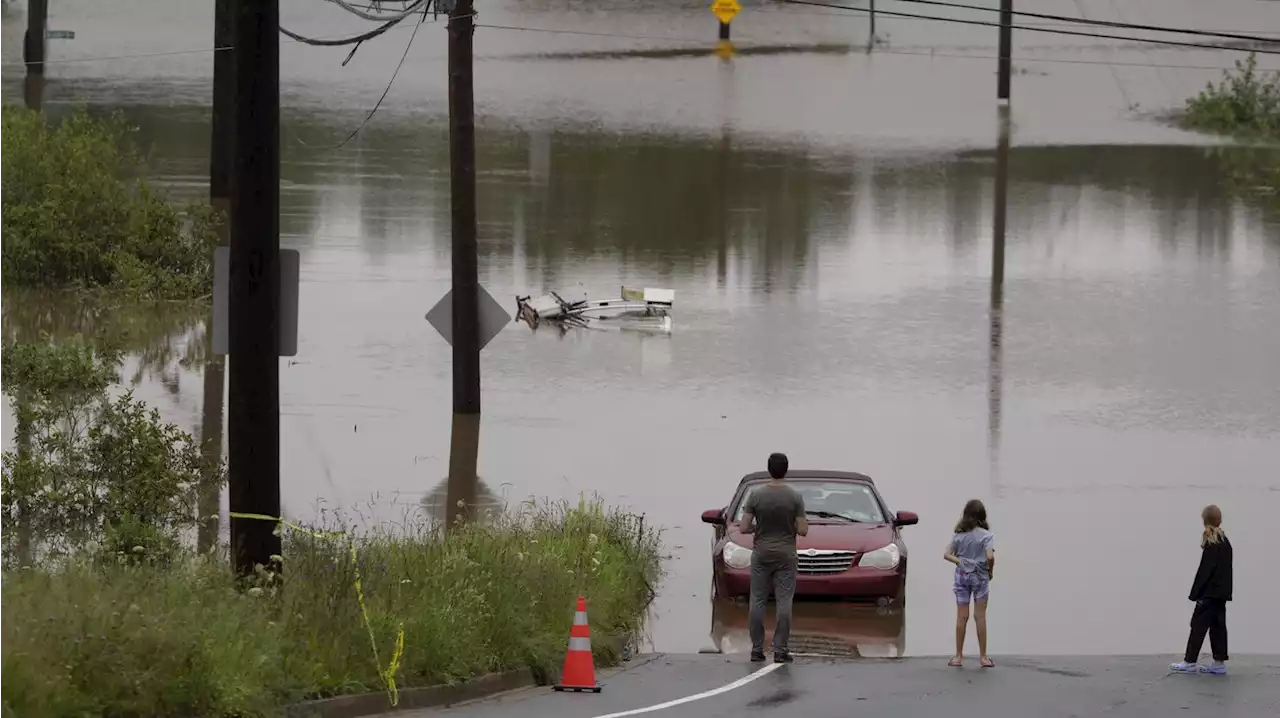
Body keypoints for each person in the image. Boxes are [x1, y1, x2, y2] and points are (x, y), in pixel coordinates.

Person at [737, 452, 808, 663]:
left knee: (757, 600)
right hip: (786, 555)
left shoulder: (756, 496)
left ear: (769, 469)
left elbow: (743, 527)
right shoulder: (795, 497)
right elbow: (803, 530)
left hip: (761, 554)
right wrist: (790, 526)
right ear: (786, 470)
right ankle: (780, 650)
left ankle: (757, 649)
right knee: (784, 601)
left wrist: (759, 528)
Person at [1171, 504, 1233, 675]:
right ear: (1219, 520)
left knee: (1197, 626)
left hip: (1209, 594)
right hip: (1221, 594)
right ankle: (1219, 662)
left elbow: (1204, 571)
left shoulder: (1211, 542)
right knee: (1218, 627)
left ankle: (1189, 661)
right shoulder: (1225, 542)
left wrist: (1195, 593)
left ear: (1205, 521)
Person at [944, 499, 995, 668]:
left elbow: (946, 554)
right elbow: (990, 557)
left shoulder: (958, 535)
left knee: (962, 616)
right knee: (980, 616)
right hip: (980, 577)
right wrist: (990, 571)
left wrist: (960, 562)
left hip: (962, 576)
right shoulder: (987, 536)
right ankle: (983, 657)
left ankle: (958, 656)